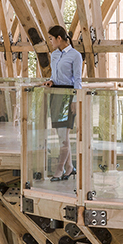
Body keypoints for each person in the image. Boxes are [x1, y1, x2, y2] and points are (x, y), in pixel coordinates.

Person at [43, 25, 83, 181]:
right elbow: (55, 75)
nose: (51, 42)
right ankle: (69, 168)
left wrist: (75, 100)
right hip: (56, 95)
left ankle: (59, 170)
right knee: (61, 135)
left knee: (63, 136)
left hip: (68, 95)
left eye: (52, 39)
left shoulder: (75, 55)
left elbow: (78, 80)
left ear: (59, 38)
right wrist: (51, 81)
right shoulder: (54, 55)